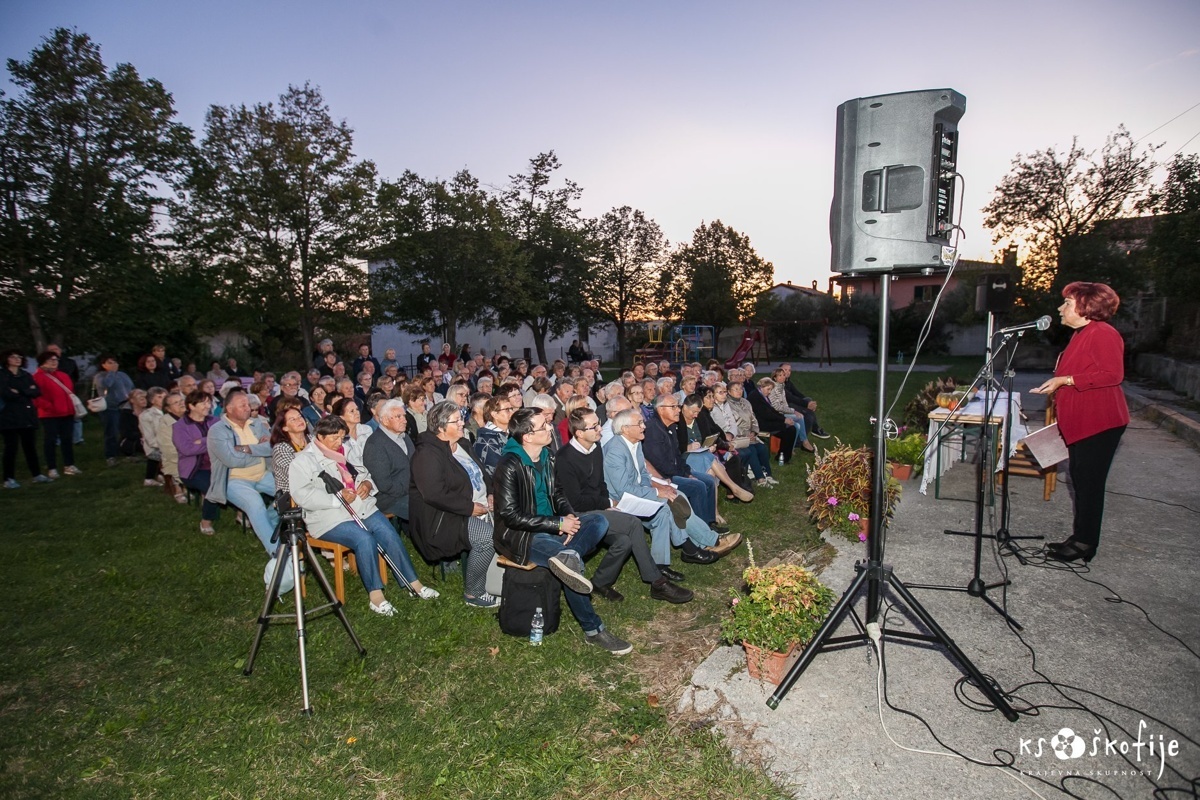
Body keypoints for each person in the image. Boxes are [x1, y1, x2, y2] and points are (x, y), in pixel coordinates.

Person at [493, 408, 632, 655]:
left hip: (553, 525)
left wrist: (567, 515)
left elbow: (558, 493)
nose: (551, 428)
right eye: (543, 426)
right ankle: (594, 630)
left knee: (599, 521)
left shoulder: (547, 456)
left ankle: (568, 557)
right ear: (527, 436)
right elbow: (511, 516)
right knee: (568, 564)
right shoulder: (509, 465)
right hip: (523, 536)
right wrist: (557, 525)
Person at [290, 416, 436, 614]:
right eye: (334, 438)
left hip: (360, 507)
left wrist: (367, 485)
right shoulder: (303, 460)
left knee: (387, 531)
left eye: (341, 437)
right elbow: (302, 494)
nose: (339, 443)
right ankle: (376, 596)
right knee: (364, 539)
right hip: (328, 517)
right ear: (319, 437)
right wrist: (336, 498)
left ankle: (413, 583)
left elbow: (364, 473)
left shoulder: (346, 451)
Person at [1031, 282, 1130, 564]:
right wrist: (1057, 383)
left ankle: (1085, 543)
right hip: (1083, 423)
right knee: (1080, 480)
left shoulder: (1103, 334)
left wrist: (1066, 380)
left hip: (1100, 423)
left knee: (1089, 484)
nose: (1060, 309)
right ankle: (1079, 537)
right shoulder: (1082, 333)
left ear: (1085, 307)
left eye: (1066, 303)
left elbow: (1113, 374)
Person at [556, 408, 693, 603]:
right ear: (579, 433)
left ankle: (601, 582)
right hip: (578, 514)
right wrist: (609, 503)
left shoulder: (594, 448)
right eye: (594, 426)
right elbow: (575, 501)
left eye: (598, 423)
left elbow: (601, 484)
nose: (600, 429)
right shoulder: (565, 458)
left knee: (624, 542)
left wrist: (607, 504)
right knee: (632, 524)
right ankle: (657, 582)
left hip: (599, 507)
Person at [409, 401, 497, 608]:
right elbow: (434, 494)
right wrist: (469, 508)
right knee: (487, 537)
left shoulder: (464, 444)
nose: (462, 424)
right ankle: (473, 593)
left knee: (515, 519)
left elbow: (484, 474)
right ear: (440, 427)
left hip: (479, 505)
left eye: (461, 418)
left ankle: (502, 580)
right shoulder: (427, 454)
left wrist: (491, 493)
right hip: (444, 517)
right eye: (456, 420)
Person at [206, 389, 280, 555]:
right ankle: (276, 551)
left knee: (291, 494)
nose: (248, 408)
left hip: (262, 475)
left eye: (248, 404)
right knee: (255, 505)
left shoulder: (256, 424)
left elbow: (272, 447)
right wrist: (259, 450)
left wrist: (246, 449)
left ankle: (269, 524)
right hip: (234, 480)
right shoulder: (217, 431)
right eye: (243, 405)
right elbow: (231, 460)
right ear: (229, 409)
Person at [642, 394, 723, 534]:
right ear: (661, 410)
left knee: (709, 480)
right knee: (698, 486)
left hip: (675, 471)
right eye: (673, 407)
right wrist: (685, 476)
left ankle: (710, 522)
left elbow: (677, 456)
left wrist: (688, 473)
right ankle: (701, 530)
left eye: (678, 406)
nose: (678, 410)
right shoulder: (652, 429)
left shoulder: (671, 426)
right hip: (662, 478)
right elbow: (659, 464)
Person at [679, 393, 755, 503]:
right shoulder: (677, 420)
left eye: (698, 412)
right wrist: (687, 447)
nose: (696, 415)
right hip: (685, 455)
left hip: (702, 452)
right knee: (710, 460)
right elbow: (674, 445)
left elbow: (708, 435)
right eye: (693, 412)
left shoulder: (700, 417)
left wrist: (711, 445)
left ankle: (715, 511)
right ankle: (734, 488)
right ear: (685, 407)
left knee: (716, 465)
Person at [711, 381, 776, 488]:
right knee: (752, 450)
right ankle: (759, 478)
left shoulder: (746, 402)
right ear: (729, 392)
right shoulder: (728, 403)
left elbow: (753, 418)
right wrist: (740, 435)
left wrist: (754, 431)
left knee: (762, 448)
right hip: (739, 436)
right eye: (735, 389)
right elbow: (731, 424)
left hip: (749, 434)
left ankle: (767, 474)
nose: (739, 391)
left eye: (741, 389)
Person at [174, 390, 221, 534]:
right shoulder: (180, 426)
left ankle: (241, 515)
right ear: (191, 406)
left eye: (209, 402)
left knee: (238, 481)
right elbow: (186, 449)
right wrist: (211, 440)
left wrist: (201, 441)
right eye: (203, 403)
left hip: (217, 465)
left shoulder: (215, 421)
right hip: (194, 470)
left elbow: (225, 439)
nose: (208, 406)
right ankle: (206, 521)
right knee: (212, 488)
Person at [2, 349, 50, 488]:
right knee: (11, 447)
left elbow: (36, 391)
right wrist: (26, 391)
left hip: (26, 415)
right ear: (7, 359)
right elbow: (6, 393)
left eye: (19, 357)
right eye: (13, 357)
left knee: (30, 446)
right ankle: (8, 478)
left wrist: (21, 391)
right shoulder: (3, 375)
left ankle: (36, 474)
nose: (17, 359)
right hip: (8, 416)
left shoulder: (26, 375)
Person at [362, 399, 414, 528]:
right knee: (425, 509)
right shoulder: (375, 444)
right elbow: (384, 485)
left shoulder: (405, 437)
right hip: (389, 499)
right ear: (385, 420)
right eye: (398, 417)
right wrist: (412, 489)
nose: (405, 420)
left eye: (404, 416)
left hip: (410, 491)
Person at [31, 351, 80, 479]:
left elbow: (70, 392)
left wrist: (71, 408)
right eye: (50, 360)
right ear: (43, 362)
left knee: (67, 439)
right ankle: (52, 467)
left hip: (67, 412)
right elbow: (36, 397)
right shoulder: (38, 377)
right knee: (50, 440)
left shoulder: (63, 375)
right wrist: (49, 406)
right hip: (49, 414)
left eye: (56, 359)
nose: (54, 362)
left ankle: (69, 464)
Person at [93, 355, 135, 466]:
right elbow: (107, 384)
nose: (113, 365)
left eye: (114, 362)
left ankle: (125, 451)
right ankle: (110, 455)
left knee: (126, 430)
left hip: (125, 406)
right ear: (103, 365)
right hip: (110, 407)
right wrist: (111, 372)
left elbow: (131, 387)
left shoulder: (122, 375)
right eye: (109, 363)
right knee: (111, 431)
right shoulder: (99, 376)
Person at [473, 394, 514, 485]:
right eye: (507, 410)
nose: (512, 412)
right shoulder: (486, 440)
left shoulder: (510, 433)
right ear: (494, 414)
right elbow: (497, 474)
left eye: (511, 408)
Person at [158, 391, 188, 503]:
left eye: (181, 401)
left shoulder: (190, 417)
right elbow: (168, 449)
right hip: (176, 458)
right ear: (168, 409)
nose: (181, 404)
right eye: (176, 403)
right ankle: (177, 486)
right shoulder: (165, 423)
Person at [138, 387, 168, 487]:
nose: (163, 399)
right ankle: (150, 479)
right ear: (152, 400)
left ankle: (161, 474)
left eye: (165, 396)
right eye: (159, 397)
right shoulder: (146, 416)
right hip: (154, 447)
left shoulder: (170, 411)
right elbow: (150, 439)